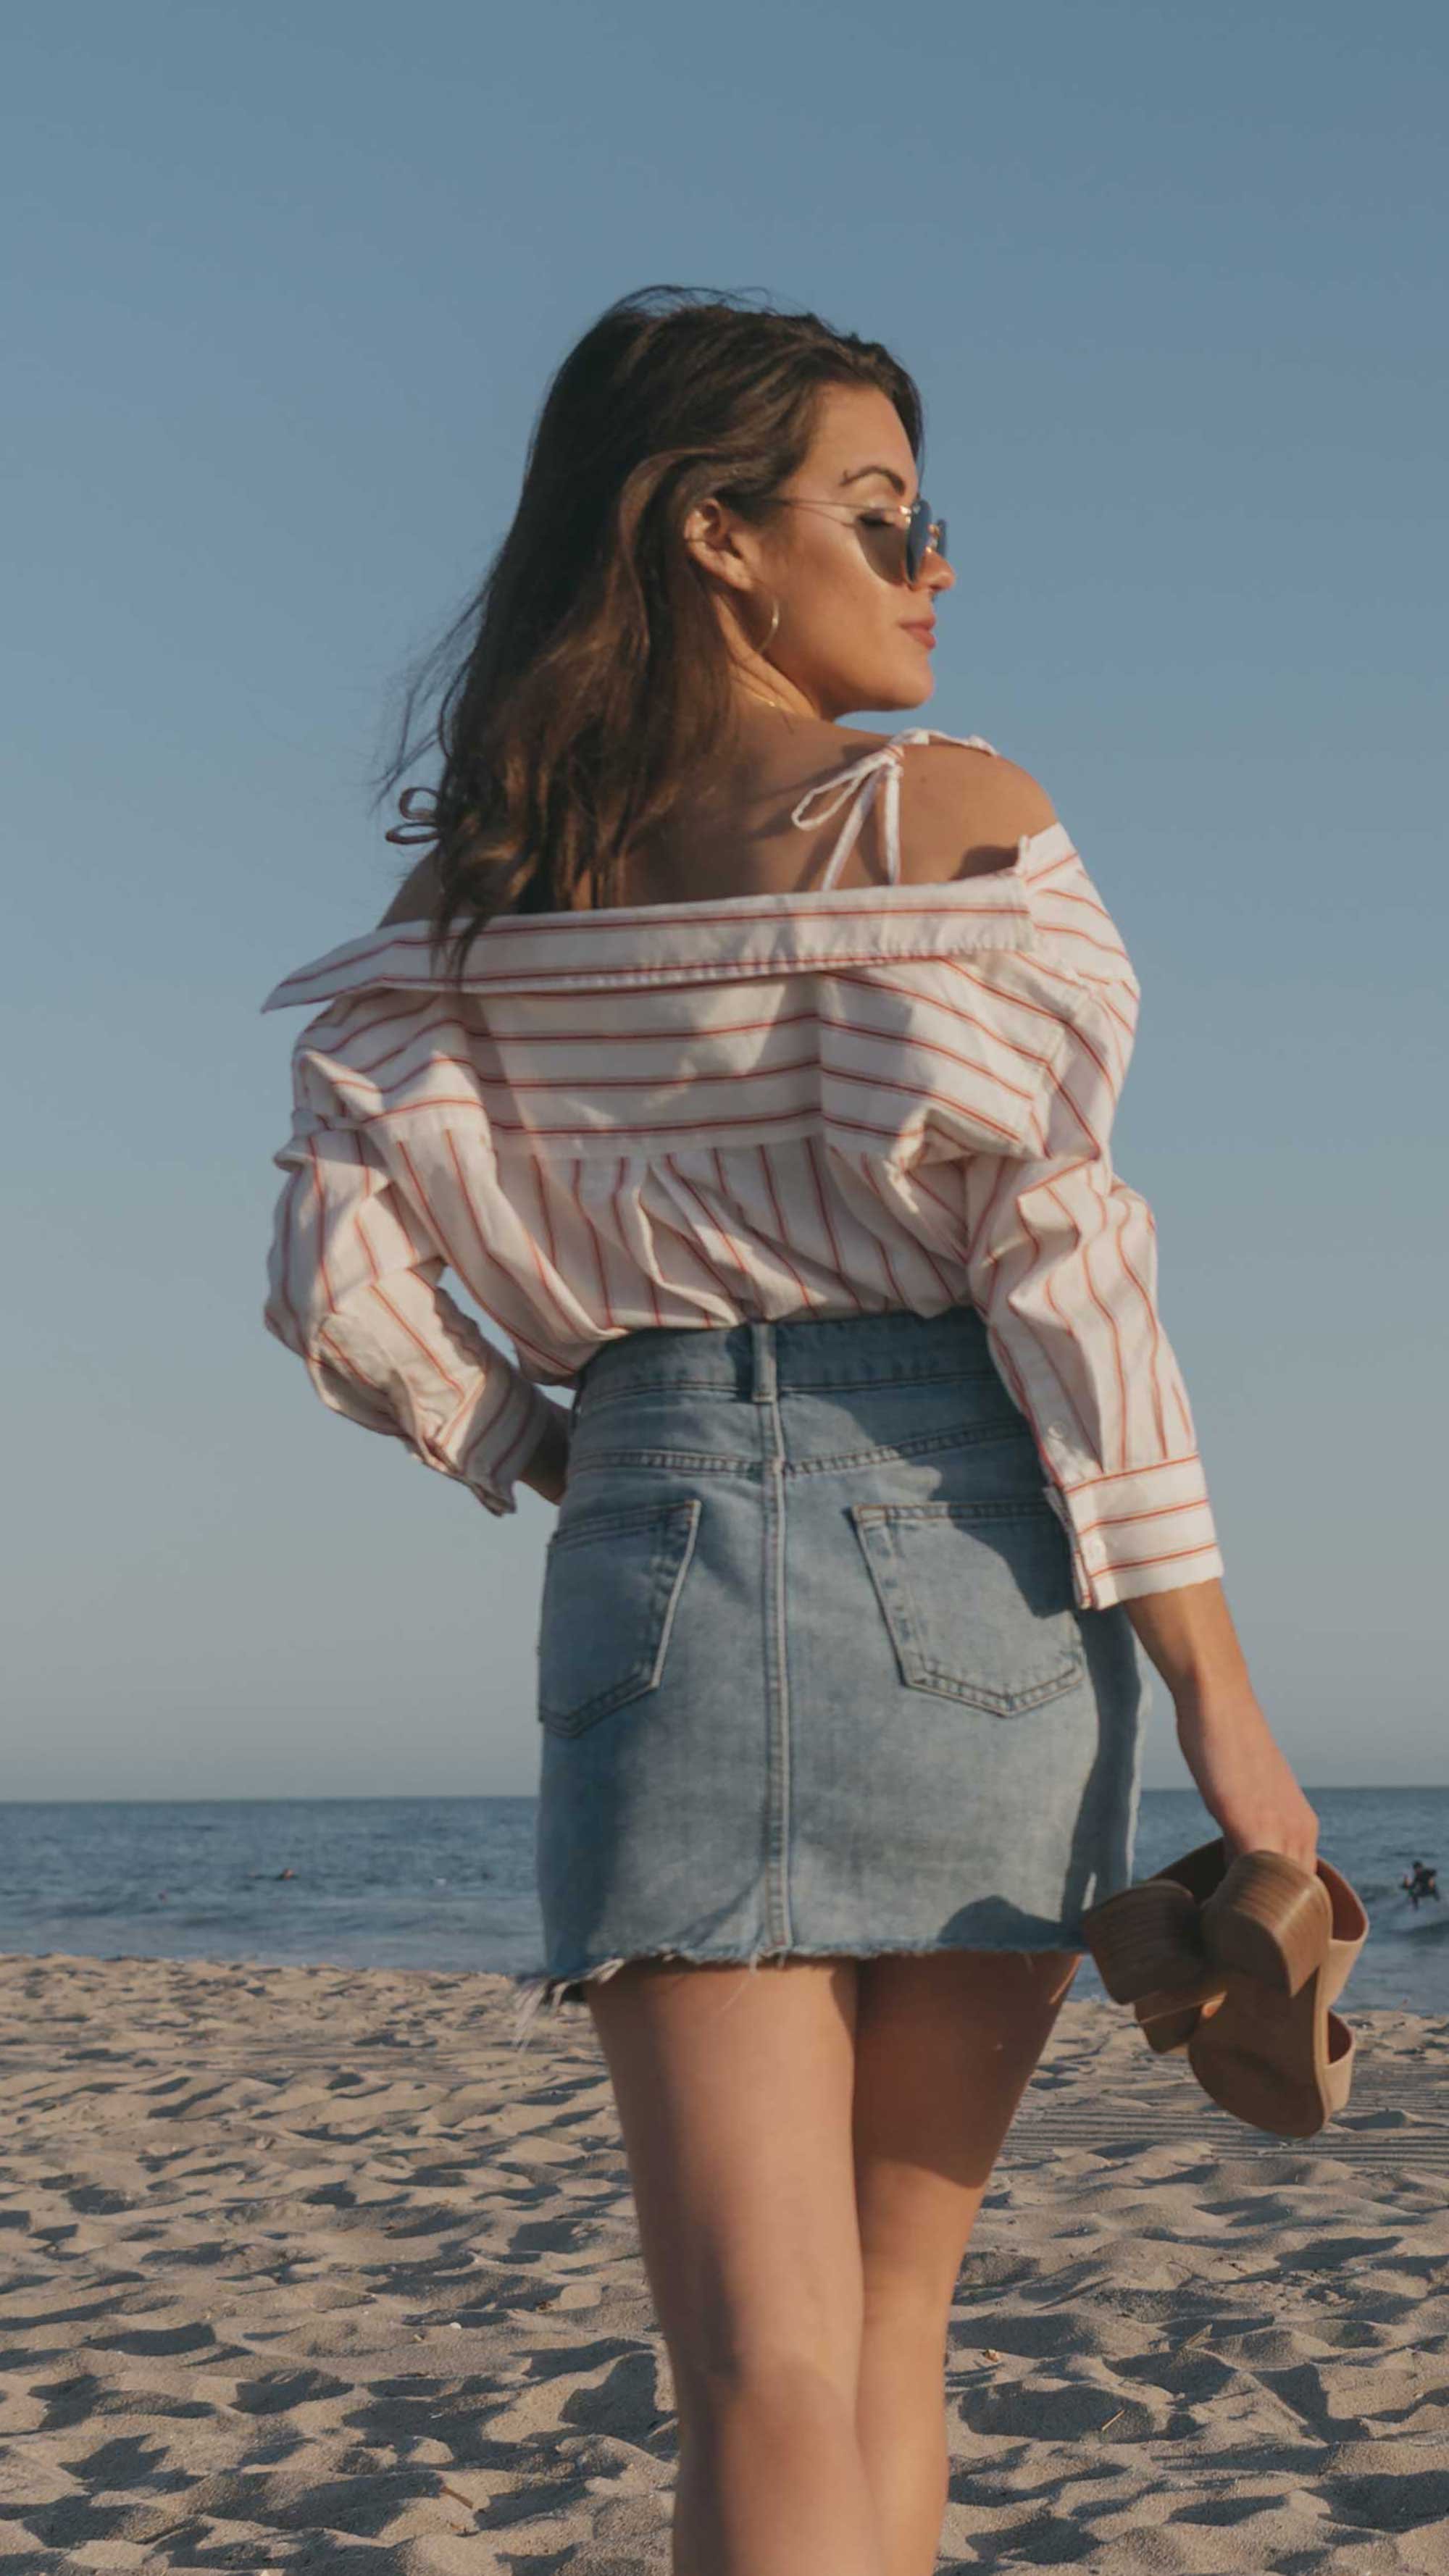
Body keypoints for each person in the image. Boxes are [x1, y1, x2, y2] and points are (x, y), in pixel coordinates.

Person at [260, 286, 1319, 2576]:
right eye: (883, 511)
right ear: (717, 539)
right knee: (897, 2321)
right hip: (983, 1565)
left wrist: (570, 1452)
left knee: (759, 2360)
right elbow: (1070, 1277)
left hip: (651, 1541)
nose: (937, 564)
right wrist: (1227, 1709)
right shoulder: (946, 823)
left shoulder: (468, 909)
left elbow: (335, 1295)